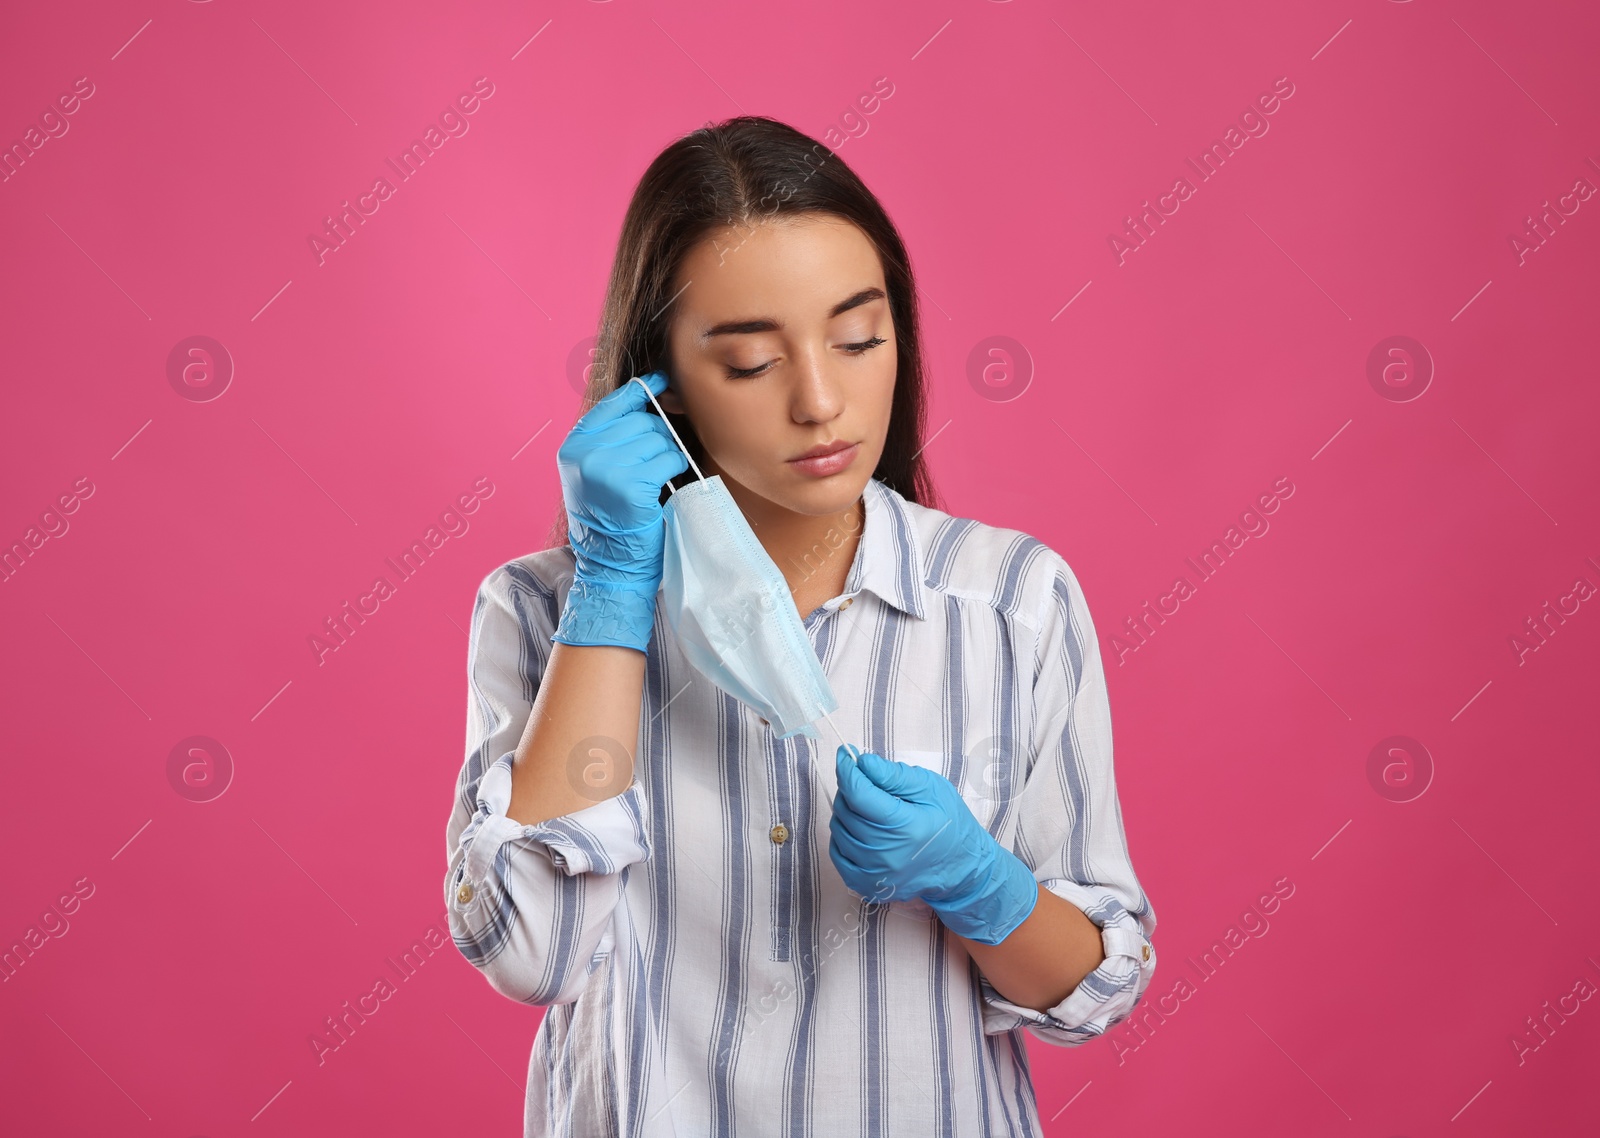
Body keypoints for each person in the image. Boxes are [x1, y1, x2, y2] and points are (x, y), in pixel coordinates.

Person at [444, 115, 1157, 1137]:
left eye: (859, 338)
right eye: (746, 364)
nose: (822, 400)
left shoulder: (1013, 602)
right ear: (661, 387)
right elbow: (529, 950)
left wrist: (983, 884)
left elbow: (1097, 989)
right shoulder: (538, 610)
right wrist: (609, 590)